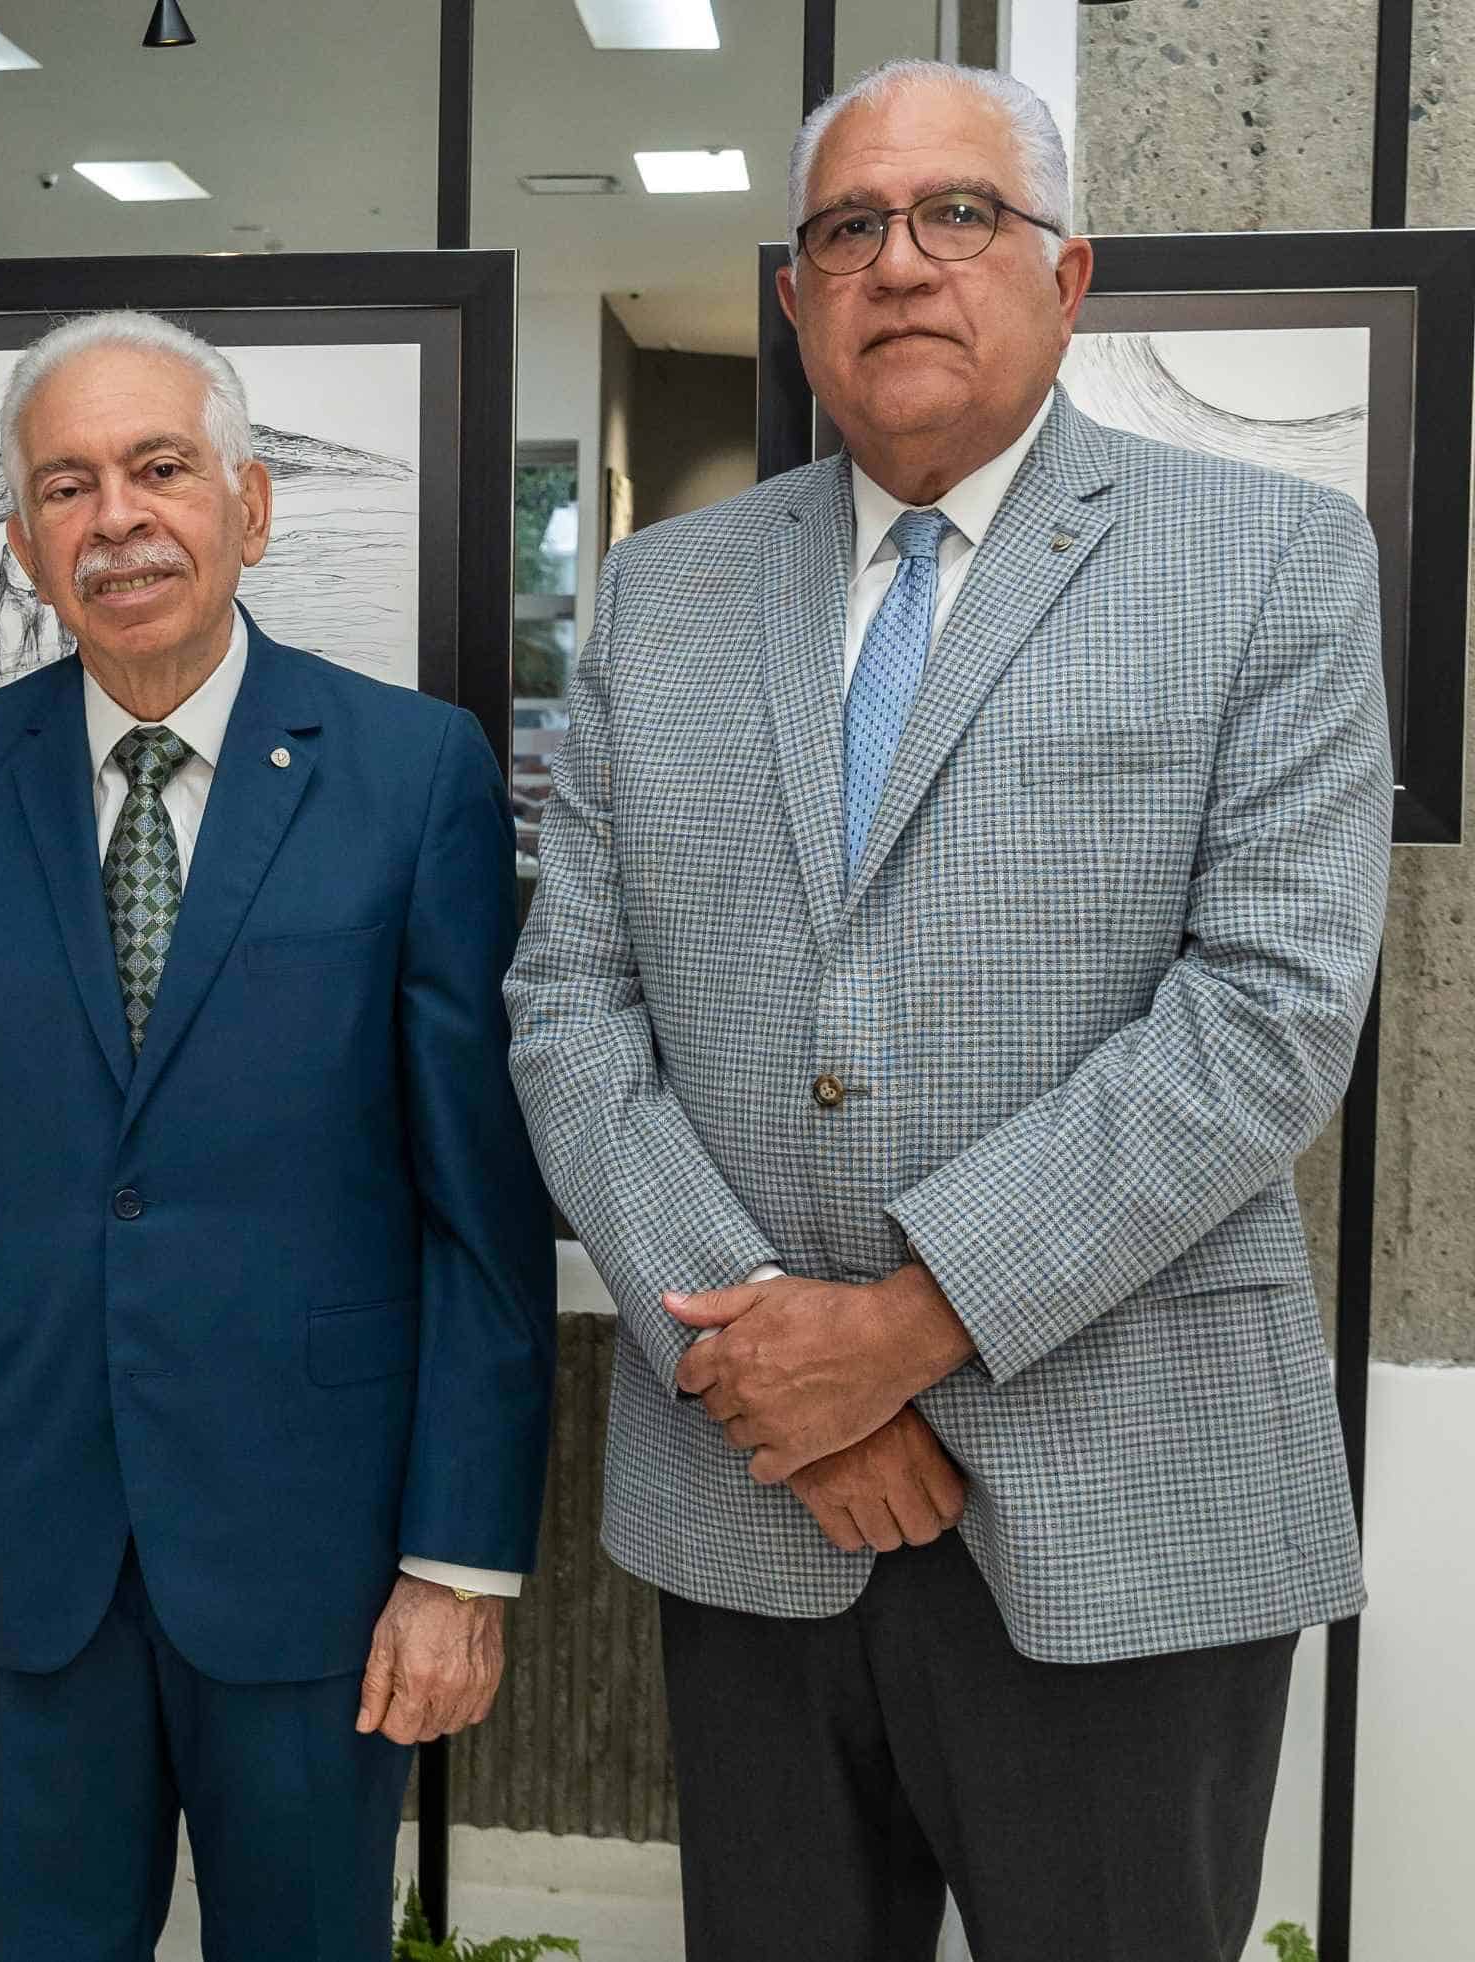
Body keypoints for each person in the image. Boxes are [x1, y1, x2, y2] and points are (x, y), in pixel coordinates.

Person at [506, 59, 1387, 1962]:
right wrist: (783, 1386)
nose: (901, 262)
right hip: (755, 1506)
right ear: (797, 298)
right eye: (850, 228)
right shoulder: (661, 600)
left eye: (959, 215)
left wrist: (900, 1330)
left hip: (1123, 1503)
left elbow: (1268, 1018)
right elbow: (571, 1015)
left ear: (1068, 274)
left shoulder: (1271, 565)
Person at [0, 310, 555, 1959]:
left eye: (160, 468)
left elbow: (479, 1212)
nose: (117, 517)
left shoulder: (412, 771)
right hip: (21, 1563)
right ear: (23, 543)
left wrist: (459, 1557)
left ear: (253, 504)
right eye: (67, 487)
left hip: (319, 1559)